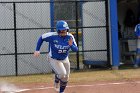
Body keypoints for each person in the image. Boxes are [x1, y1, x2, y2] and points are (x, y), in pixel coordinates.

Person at [34, 20, 78, 93]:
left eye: (65, 30)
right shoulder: (52, 36)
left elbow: (75, 49)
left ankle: (61, 91)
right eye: (61, 30)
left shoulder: (70, 37)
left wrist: (71, 45)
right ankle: (57, 78)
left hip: (64, 59)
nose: (64, 32)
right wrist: (37, 50)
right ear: (58, 31)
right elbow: (41, 38)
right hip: (53, 59)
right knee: (62, 74)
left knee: (66, 77)